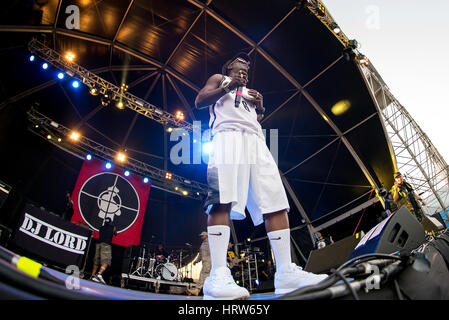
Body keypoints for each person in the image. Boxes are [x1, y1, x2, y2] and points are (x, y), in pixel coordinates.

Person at [195, 52, 328, 300]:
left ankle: (286, 273)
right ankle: (217, 276)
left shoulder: (249, 93)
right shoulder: (219, 79)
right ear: (229, 68)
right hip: (227, 137)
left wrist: (260, 109)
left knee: (275, 201)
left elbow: (250, 118)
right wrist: (229, 86)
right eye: (240, 66)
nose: (244, 70)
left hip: (255, 141)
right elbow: (200, 100)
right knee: (221, 199)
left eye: (247, 69)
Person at [91, 217, 117, 284]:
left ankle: (92, 276)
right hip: (106, 245)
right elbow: (115, 233)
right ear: (110, 222)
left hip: (98, 244)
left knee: (97, 260)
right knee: (106, 260)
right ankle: (99, 274)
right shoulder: (113, 227)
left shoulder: (101, 228)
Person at [187, 231, 211, 296]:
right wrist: (196, 261)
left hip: (208, 263)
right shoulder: (203, 244)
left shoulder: (210, 243)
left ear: (206, 236)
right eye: (201, 236)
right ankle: (207, 291)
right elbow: (200, 254)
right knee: (207, 277)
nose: (201, 237)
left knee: (203, 275)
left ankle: (197, 289)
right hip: (205, 262)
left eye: (202, 235)